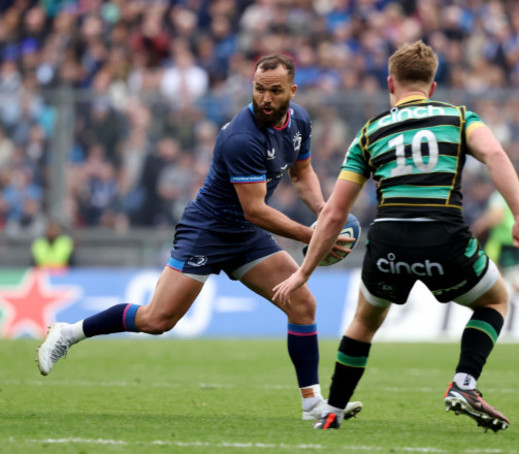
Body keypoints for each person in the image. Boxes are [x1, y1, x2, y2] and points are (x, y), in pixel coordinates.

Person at [37, 54, 362, 422]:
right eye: (259, 89)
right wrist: (314, 235)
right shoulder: (241, 137)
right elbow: (256, 209)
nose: (265, 98)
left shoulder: (299, 120)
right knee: (156, 320)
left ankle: (312, 405)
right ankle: (68, 332)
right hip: (207, 230)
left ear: (293, 90)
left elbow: (302, 175)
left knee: (302, 303)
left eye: (275, 90)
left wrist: (324, 214)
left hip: (245, 235)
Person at [273, 41, 519, 432]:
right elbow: (496, 156)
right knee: (495, 301)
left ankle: (333, 411)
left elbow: (334, 214)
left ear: (390, 83)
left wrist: (304, 271)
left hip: (389, 241)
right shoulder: (460, 118)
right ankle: (464, 382)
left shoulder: (369, 132)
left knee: (364, 321)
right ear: (432, 87)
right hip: (443, 235)